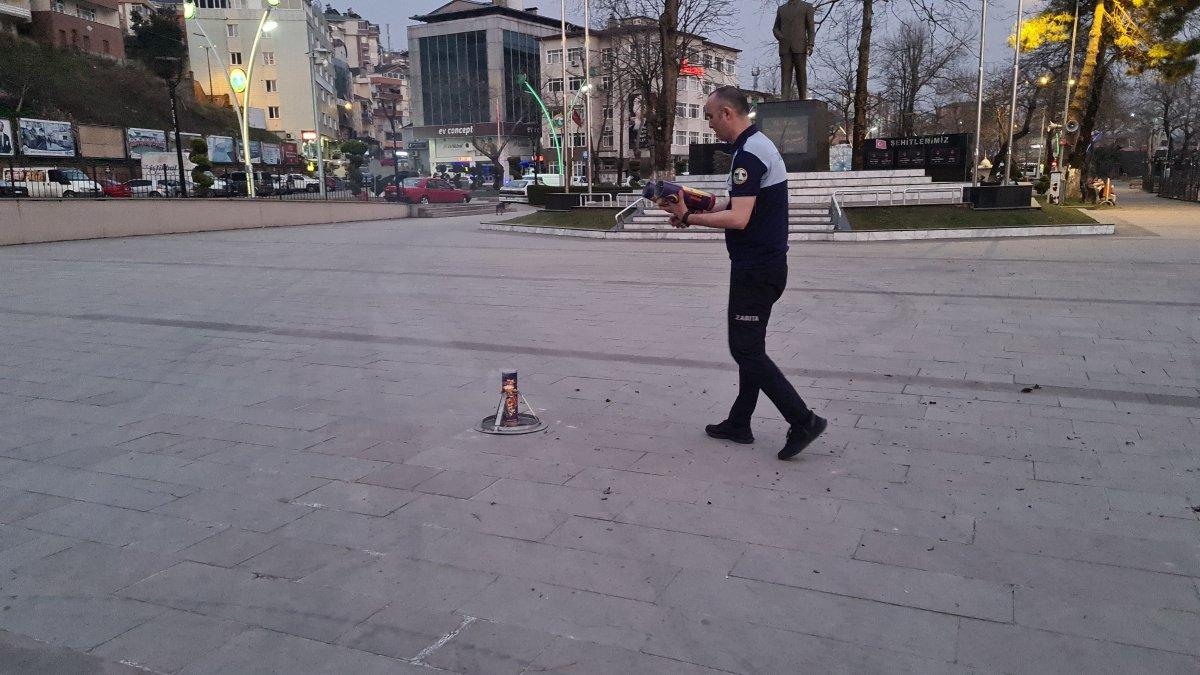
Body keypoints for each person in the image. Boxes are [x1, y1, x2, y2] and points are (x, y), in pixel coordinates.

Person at [660, 85, 827, 460]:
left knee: (745, 349)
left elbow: (738, 217)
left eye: (709, 114)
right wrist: (692, 206)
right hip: (761, 265)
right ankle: (740, 422)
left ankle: (803, 420)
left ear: (727, 114)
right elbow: (734, 202)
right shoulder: (752, 147)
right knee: (750, 348)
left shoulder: (749, 155)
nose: (708, 122)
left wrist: (690, 218)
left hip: (757, 268)